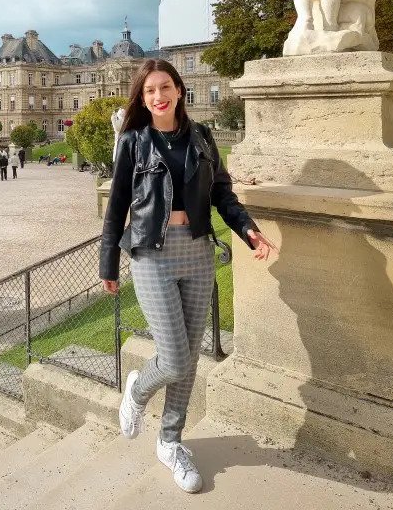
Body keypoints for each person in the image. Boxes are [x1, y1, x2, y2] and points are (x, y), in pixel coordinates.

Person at [100, 59, 278, 494]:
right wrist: (108, 262)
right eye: (149, 92)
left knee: (191, 358)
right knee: (175, 358)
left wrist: (248, 228)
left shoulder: (202, 137)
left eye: (165, 87)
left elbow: (222, 193)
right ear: (142, 99)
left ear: (180, 90)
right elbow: (118, 201)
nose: (158, 97)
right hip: (152, 255)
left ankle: (170, 441)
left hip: (197, 252)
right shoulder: (134, 140)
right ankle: (138, 391)